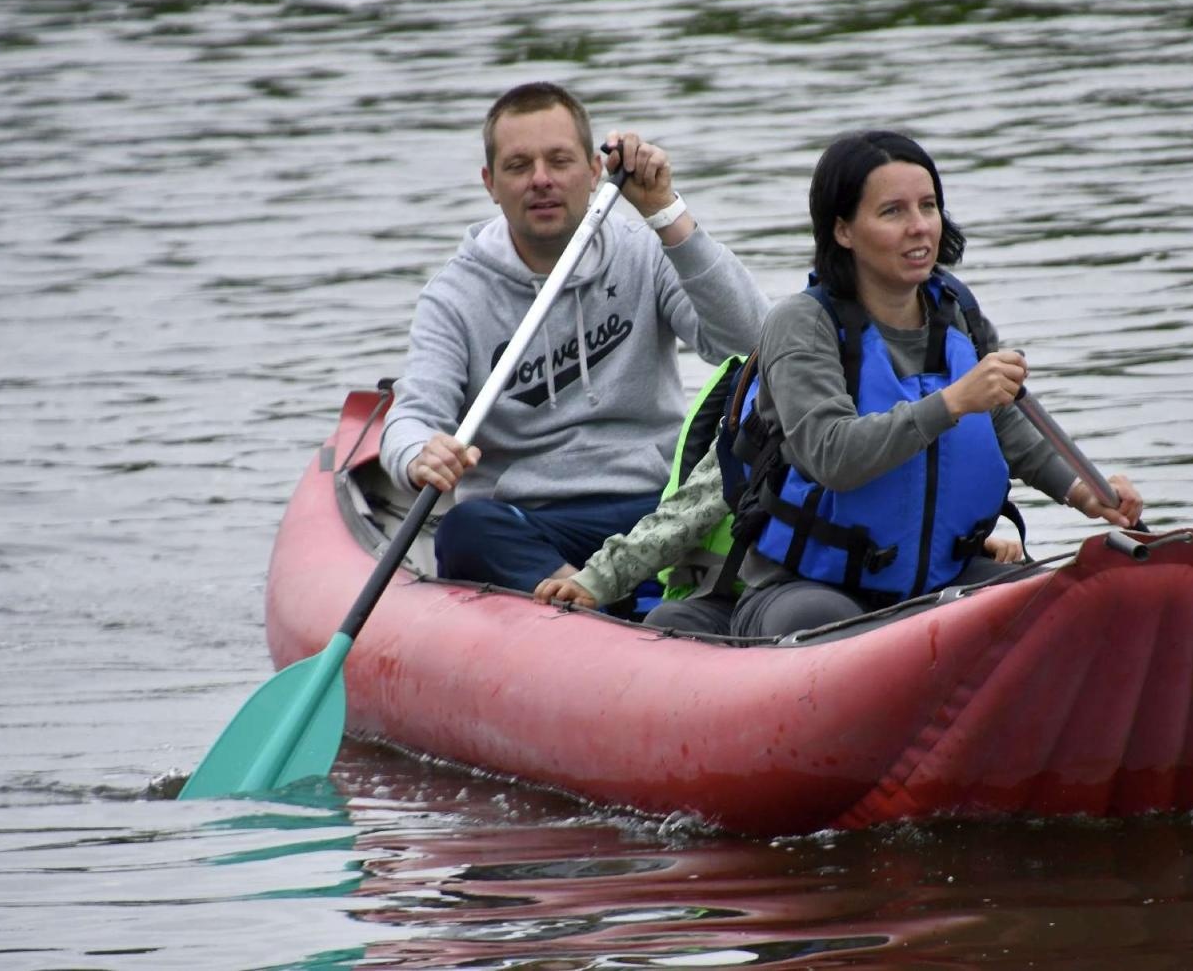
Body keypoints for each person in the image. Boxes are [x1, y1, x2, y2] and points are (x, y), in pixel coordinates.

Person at [723, 129, 1144, 639]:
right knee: (823, 622)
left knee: (1062, 604)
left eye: (928, 206)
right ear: (843, 231)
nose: (920, 228)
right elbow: (832, 456)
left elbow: (1008, 428)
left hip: (943, 580)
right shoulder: (802, 324)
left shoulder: (958, 314)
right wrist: (951, 402)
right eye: (893, 212)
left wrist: (1081, 490)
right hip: (809, 589)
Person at [379, 82, 771, 593]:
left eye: (559, 161)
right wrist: (418, 455)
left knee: (754, 490)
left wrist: (667, 213)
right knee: (465, 531)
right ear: (490, 183)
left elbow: (753, 343)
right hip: (531, 520)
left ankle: (617, 597)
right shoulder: (454, 295)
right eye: (518, 166)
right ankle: (599, 607)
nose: (541, 180)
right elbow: (409, 417)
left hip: (654, 507)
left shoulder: (645, 251)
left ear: (592, 172)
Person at [532, 441, 1027, 634]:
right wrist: (600, 579)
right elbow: (687, 511)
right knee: (813, 618)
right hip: (774, 587)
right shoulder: (783, 384)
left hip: (900, 582)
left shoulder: (944, 363)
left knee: (1022, 587)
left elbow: (933, 493)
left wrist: (977, 541)